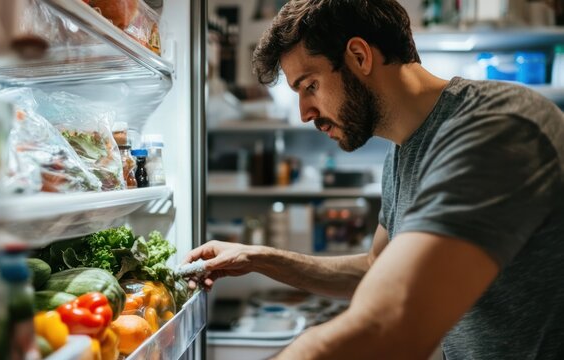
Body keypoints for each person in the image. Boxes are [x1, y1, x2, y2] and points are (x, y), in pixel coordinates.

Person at [185, 0, 564, 359]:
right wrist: (256, 258)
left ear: (360, 56)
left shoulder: (500, 128)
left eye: (309, 86)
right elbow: (373, 267)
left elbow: (391, 323)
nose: (304, 113)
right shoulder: (400, 154)